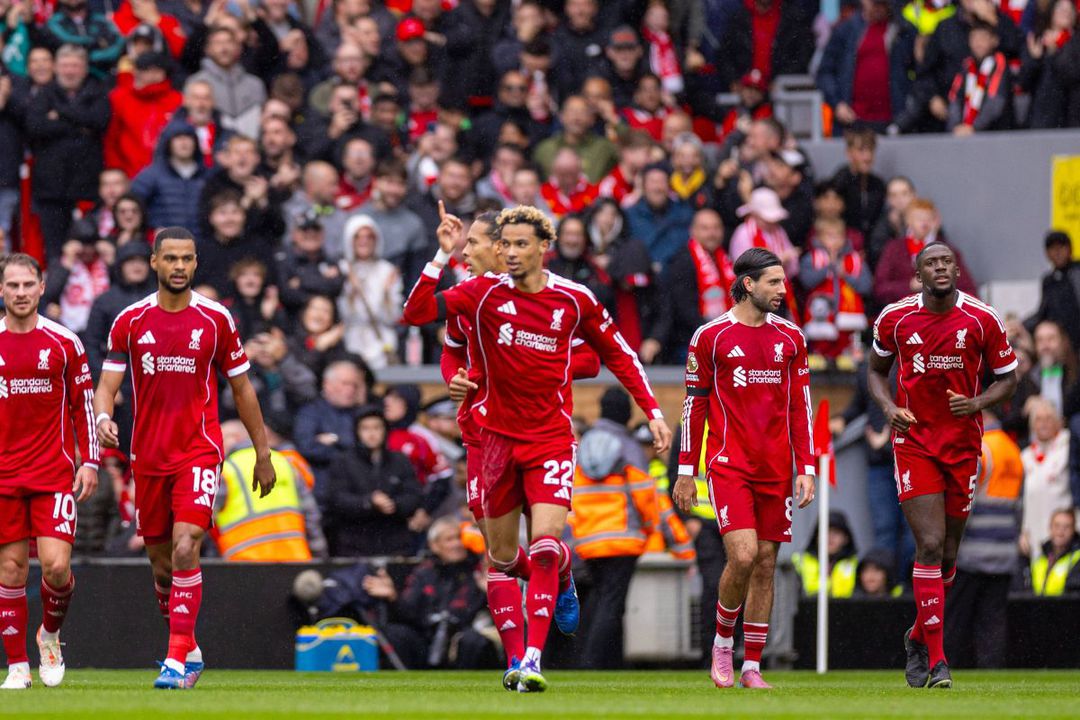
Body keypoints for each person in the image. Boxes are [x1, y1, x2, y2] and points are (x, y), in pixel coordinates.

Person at [402, 204, 672, 692]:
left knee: (546, 544)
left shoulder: (574, 298)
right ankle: (555, 587)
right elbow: (421, 318)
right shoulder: (479, 295)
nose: (507, 252)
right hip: (489, 439)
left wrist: (651, 410)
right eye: (503, 244)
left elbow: (611, 355)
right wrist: (439, 257)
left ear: (544, 248)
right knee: (503, 558)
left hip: (549, 439)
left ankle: (530, 659)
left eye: (518, 244)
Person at [93, 226, 277, 689]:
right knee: (161, 566)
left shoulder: (216, 319)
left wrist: (262, 452)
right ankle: (189, 647)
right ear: (154, 262)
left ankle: (175, 660)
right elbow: (108, 384)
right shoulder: (130, 320)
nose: (179, 266)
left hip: (198, 451)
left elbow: (242, 389)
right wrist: (102, 417)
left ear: (196, 263)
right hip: (147, 457)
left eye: (187, 259)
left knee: (184, 546)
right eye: (171, 258)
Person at [868, 242, 1018, 689]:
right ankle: (937, 661)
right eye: (931, 263)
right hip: (914, 441)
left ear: (956, 270)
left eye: (946, 262)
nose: (940, 268)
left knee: (950, 555)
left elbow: (1009, 378)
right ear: (918, 275)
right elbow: (874, 371)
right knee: (930, 544)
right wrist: (888, 407)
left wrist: (977, 402)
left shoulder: (982, 318)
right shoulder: (895, 318)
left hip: (962, 445)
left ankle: (918, 635)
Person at [673, 246, 816, 690]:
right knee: (744, 555)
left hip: (777, 468)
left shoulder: (791, 338)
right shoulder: (710, 336)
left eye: (783, 281)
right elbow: (694, 406)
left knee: (767, 562)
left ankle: (752, 666)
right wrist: (685, 470)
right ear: (748, 284)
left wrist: (806, 466)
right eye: (774, 282)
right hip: (728, 465)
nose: (782, 289)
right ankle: (722, 643)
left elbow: (800, 407)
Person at [0, 253, 99, 690]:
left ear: (42, 287)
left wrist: (90, 460)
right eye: (13, 285)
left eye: (28, 284)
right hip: (4, 477)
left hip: (52, 474)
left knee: (57, 568)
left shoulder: (64, 342)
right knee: (11, 570)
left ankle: (50, 635)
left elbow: (84, 406)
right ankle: (17, 666)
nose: (21, 292)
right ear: (1, 290)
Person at [570, 428, 659, 669]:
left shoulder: (580, 473)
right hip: (624, 544)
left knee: (601, 601)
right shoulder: (629, 469)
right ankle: (592, 662)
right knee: (612, 604)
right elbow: (647, 503)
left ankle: (605, 660)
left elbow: (573, 509)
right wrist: (649, 530)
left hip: (589, 545)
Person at [945, 409, 1022, 668]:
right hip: (1004, 552)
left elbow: (964, 504)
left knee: (956, 617)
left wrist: (949, 547)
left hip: (972, 552)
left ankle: (947, 666)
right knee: (993, 620)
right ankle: (991, 670)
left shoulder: (979, 450)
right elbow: (1019, 508)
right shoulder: (1013, 451)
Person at [25, 45, 111, 264]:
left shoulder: (97, 91)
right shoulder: (44, 93)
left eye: (75, 66)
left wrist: (61, 113)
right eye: (65, 66)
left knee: (88, 248)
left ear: (85, 69)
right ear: (56, 67)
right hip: (50, 189)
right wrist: (80, 125)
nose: (70, 71)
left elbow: (99, 121)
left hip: (86, 188)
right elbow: (35, 127)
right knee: (55, 252)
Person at [213, 419, 326, 562]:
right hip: (294, 559)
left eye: (220, 440)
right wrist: (318, 553)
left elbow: (204, 517)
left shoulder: (226, 471)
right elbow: (311, 514)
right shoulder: (286, 463)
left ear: (234, 438)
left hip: (245, 563)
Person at [323, 405, 422, 557]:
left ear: (385, 430)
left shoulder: (400, 460)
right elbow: (336, 498)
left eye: (377, 427)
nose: (371, 434)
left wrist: (393, 504)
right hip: (354, 544)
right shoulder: (343, 461)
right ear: (356, 431)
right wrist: (369, 502)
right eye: (365, 428)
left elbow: (414, 495)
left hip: (394, 542)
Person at [641, 208, 735, 366]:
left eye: (716, 228)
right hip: (690, 341)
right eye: (705, 228)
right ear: (693, 231)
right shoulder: (683, 260)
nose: (712, 233)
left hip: (722, 338)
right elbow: (683, 308)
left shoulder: (725, 259)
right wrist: (714, 335)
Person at [338, 215, 402, 371]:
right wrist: (352, 291)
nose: (364, 241)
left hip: (381, 342)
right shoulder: (342, 268)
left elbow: (393, 317)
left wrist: (386, 294)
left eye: (369, 237)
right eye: (358, 237)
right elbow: (343, 315)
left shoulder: (387, 270)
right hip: (351, 340)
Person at [1020, 399, 1071, 559]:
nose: (1043, 424)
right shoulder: (1026, 456)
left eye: (1048, 418)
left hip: (1064, 533)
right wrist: (1023, 531)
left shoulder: (1068, 449)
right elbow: (1022, 500)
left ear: (1057, 422)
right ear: (1032, 425)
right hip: (1034, 533)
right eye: (1038, 419)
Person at [946, 22, 1013, 134]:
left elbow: (996, 103)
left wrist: (974, 127)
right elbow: (955, 98)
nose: (978, 43)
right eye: (974, 38)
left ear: (994, 41)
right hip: (963, 132)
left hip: (994, 132)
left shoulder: (1000, 64)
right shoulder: (966, 65)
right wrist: (955, 125)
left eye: (983, 38)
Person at [1025, 231, 1080, 345]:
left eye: (1061, 247)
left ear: (1070, 249)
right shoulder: (1049, 281)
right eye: (1053, 248)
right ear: (1047, 254)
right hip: (1061, 344)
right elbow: (1042, 313)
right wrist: (1020, 326)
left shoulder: (1077, 271)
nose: (1057, 252)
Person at [791, 512, 859, 597]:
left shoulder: (856, 566)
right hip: (808, 605)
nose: (830, 537)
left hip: (846, 605)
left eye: (836, 532)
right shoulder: (799, 562)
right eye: (825, 531)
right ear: (816, 537)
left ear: (846, 538)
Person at [1029, 509, 1080, 595]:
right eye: (1057, 526)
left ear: (1073, 530)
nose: (1060, 532)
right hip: (1037, 603)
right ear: (1050, 528)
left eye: (1066, 527)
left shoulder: (1077, 557)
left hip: (1066, 603)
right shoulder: (1040, 558)